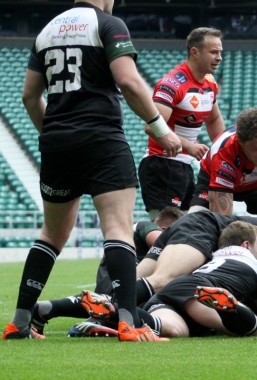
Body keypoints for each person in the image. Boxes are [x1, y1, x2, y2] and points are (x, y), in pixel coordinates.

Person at [2, 0, 181, 342]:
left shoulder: (47, 30)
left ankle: (19, 322)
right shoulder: (108, 24)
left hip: (57, 143)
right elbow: (128, 81)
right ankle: (129, 323)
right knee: (117, 227)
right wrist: (160, 128)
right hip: (102, 139)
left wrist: (55, 135)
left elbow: (29, 95)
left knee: (51, 235)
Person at [31, 221, 257, 338]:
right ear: (246, 245)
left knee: (174, 330)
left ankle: (109, 312)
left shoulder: (213, 256)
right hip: (204, 292)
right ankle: (231, 308)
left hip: (181, 287)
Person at [134, 210, 257, 331]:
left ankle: (113, 306)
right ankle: (233, 313)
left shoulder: (219, 254)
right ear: (246, 245)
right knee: (161, 280)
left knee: (144, 287)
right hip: (202, 227)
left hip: (185, 279)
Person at [139, 27, 225, 220]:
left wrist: (221, 150)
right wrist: (189, 146)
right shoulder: (172, 84)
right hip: (162, 165)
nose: (219, 57)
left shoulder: (209, 83)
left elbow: (214, 118)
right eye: (213, 52)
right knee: (165, 231)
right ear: (194, 52)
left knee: (183, 229)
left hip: (184, 167)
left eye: (220, 52)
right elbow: (152, 126)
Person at [95, 206, 184, 295]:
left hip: (120, 291)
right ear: (165, 230)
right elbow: (161, 242)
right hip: (116, 291)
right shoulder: (144, 226)